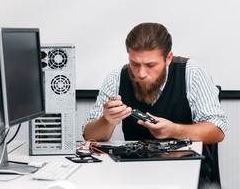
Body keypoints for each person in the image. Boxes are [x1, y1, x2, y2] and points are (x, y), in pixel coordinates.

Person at [82, 22, 227, 187]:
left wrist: (174, 130)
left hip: (185, 171)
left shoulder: (192, 72)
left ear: (168, 58)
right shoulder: (117, 77)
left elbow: (218, 130)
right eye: (135, 64)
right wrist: (107, 120)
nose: (141, 73)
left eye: (151, 65)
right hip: (133, 172)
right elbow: (89, 135)